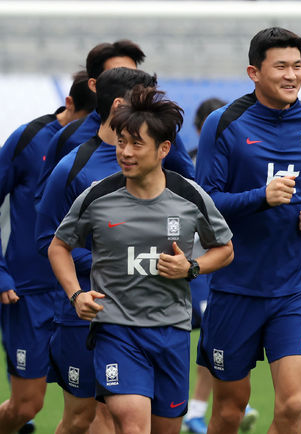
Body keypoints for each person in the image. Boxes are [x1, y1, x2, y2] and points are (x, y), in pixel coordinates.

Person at [47, 85, 234, 433]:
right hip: (117, 332)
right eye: (121, 142)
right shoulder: (98, 197)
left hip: (172, 332)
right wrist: (76, 294)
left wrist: (192, 267)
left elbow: (225, 249)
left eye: (136, 144)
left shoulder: (189, 196)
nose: (125, 152)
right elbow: (58, 246)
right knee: (133, 425)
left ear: (164, 149)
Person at [195, 27, 301, 433]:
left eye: (298, 66)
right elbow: (204, 203)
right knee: (229, 411)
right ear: (255, 72)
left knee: (292, 405)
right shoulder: (224, 124)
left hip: (295, 287)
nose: (292, 75)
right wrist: (261, 197)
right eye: (281, 67)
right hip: (236, 288)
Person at [35, 67, 158, 434]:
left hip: (144, 313)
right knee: (83, 418)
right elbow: (48, 240)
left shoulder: (156, 158)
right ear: (119, 105)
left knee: (128, 418)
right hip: (84, 313)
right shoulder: (73, 168)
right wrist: (106, 262)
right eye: (144, 100)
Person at [0, 70, 94, 434]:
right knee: (26, 405)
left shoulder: (117, 147)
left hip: (84, 293)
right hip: (29, 294)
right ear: (69, 105)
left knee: (92, 409)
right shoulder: (28, 139)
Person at [183, 97, 259, 434]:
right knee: (208, 339)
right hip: (197, 266)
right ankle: (204, 406)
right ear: (203, 129)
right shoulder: (189, 163)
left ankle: (202, 408)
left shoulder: (240, 160)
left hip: (227, 263)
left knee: (212, 341)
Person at [36, 39, 194, 200]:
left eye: (133, 73)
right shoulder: (68, 139)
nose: (130, 79)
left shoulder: (158, 131)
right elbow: (47, 202)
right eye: (119, 73)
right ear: (95, 85)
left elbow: (190, 188)